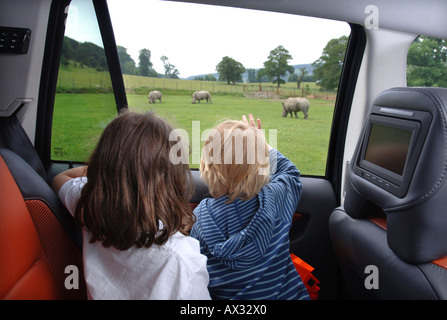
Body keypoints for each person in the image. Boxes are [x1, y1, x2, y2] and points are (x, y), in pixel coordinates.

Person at [51, 110, 211, 300]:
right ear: (172, 180)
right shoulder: (182, 262)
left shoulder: (89, 207)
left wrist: (106, 170)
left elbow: (61, 178)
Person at [190, 114, 310, 300]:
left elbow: (198, 272)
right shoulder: (275, 198)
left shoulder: (201, 218)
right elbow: (290, 172)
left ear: (207, 166)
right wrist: (263, 146)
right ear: (262, 166)